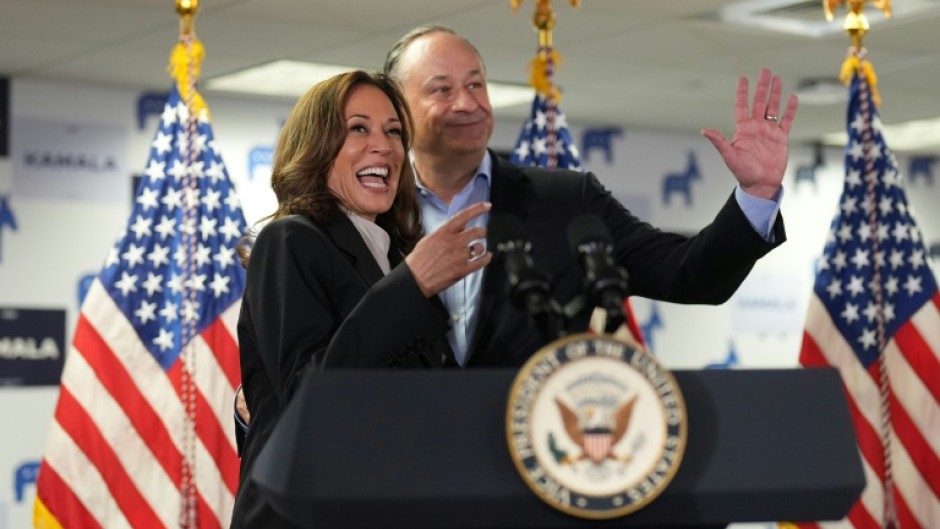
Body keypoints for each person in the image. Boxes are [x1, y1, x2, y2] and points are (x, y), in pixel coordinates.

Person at [380, 24, 799, 367]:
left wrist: (757, 193)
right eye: (442, 90)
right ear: (398, 107)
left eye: (476, 85)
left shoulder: (567, 201)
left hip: (535, 447)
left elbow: (689, 273)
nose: (467, 103)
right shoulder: (368, 211)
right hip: (405, 448)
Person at [230, 70, 491, 529]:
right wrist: (409, 286)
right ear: (316, 146)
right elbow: (307, 399)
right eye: (358, 128)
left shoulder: (394, 257)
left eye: (393, 131)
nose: (384, 145)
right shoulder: (290, 239)